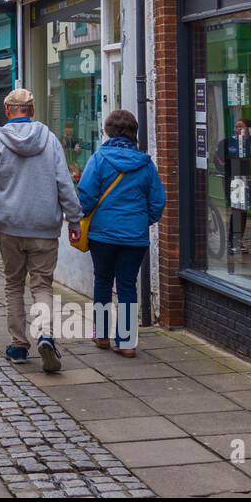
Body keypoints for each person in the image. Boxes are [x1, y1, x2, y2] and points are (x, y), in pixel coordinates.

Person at [0, 88, 82, 373]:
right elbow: (64, 184)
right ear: (32, 110)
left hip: (10, 226)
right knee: (42, 285)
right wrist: (74, 220)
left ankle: (19, 345)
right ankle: (45, 333)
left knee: (13, 284)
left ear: (8, 111)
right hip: (45, 226)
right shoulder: (50, 140)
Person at [78, 110, 166, 358]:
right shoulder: (146, 164)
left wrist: (82, 216)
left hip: (102, 234)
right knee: (127, 284)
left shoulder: (99, 159)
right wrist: (141, 221)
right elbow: (157, 202)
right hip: (134, 236)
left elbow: (86, 195)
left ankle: (102, 334)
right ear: (133, 133)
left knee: (103, 280)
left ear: (108, 131)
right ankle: (126, 341)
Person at [214, 117, 251, 256]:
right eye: (236, 127)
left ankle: (237, 241)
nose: (237, 129)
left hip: (247, 180)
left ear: (249, 129)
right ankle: (234, 241)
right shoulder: (226, 143)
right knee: (237, 210)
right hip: (234, 182)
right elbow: (218, 161)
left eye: (241, 127)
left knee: (242, 212)